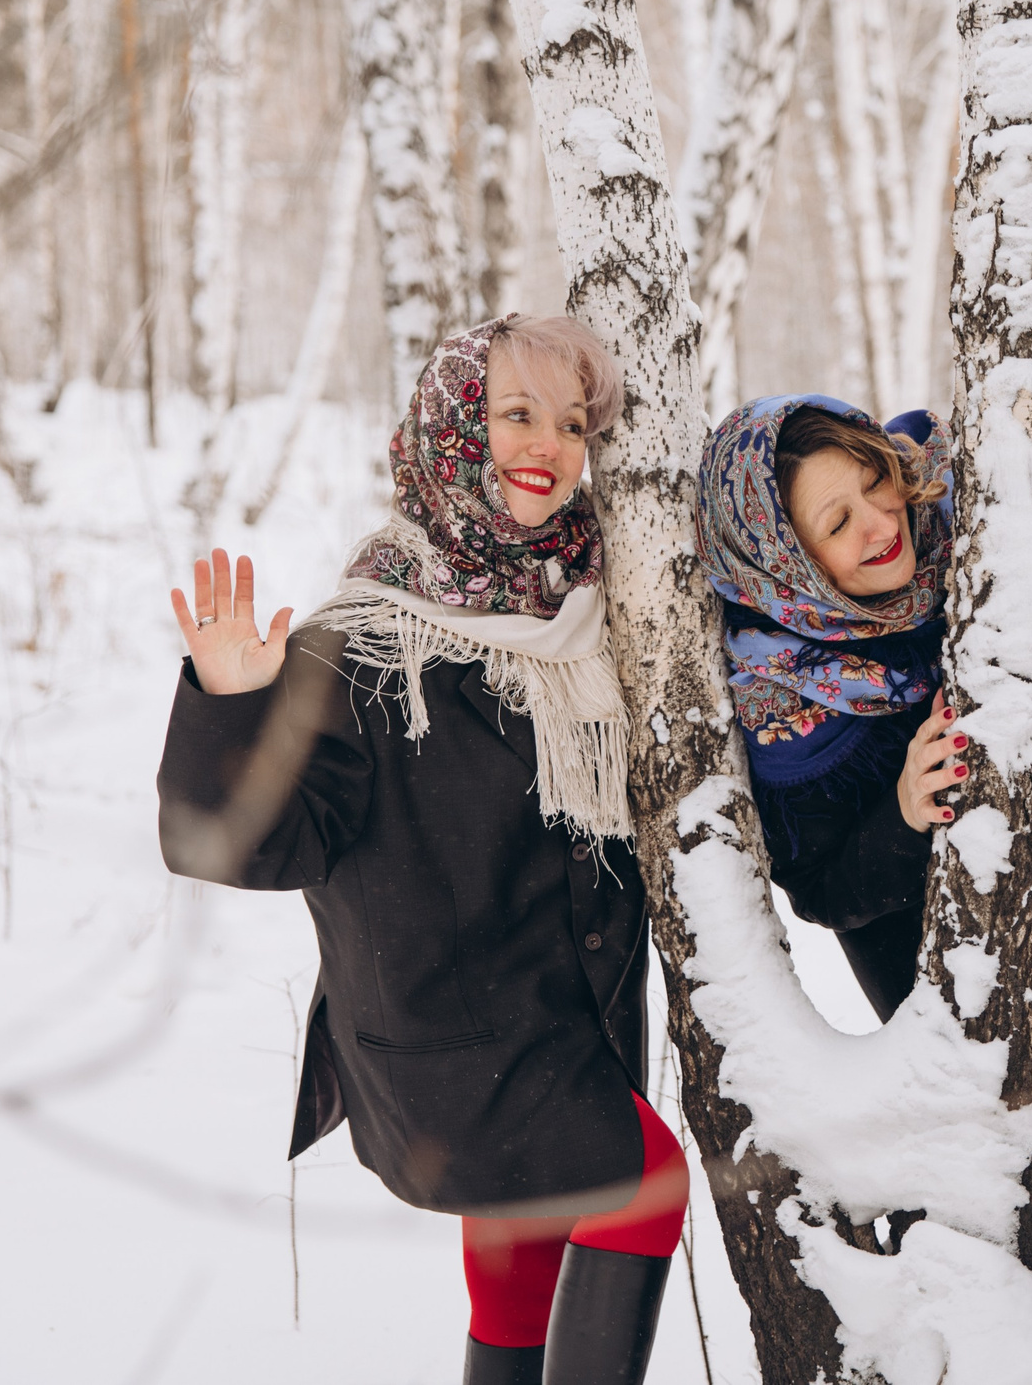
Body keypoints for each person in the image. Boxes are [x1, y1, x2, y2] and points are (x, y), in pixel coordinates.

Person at [155, 315, 686, 1385]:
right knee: (647, 1184)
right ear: (454, 429)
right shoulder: (366, 644)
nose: (548, 445)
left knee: (526, 1255)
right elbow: (235, 846)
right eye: (516, 413)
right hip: (452, 1046)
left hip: (566, 1033)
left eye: (571, 423)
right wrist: (230, 702)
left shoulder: (591, 613)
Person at [694, 396, 961, 1021]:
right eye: (839, 525)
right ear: (786, 567)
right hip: (944, 1003)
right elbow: (821, 891)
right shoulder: (785, 705)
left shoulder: (953, 515)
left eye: (875, 482)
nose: (883, 526)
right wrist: (902, 812)